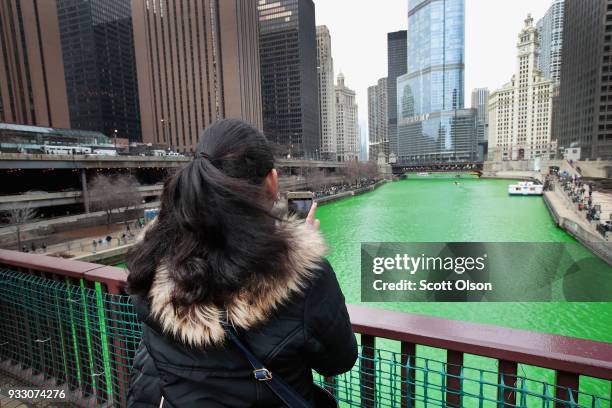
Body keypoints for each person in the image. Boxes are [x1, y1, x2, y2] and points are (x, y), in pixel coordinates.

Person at [126, 119, 357, 407]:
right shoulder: (305, 277)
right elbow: (339, 360)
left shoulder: (152, 260)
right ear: (272, 181)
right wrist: (301, 250)